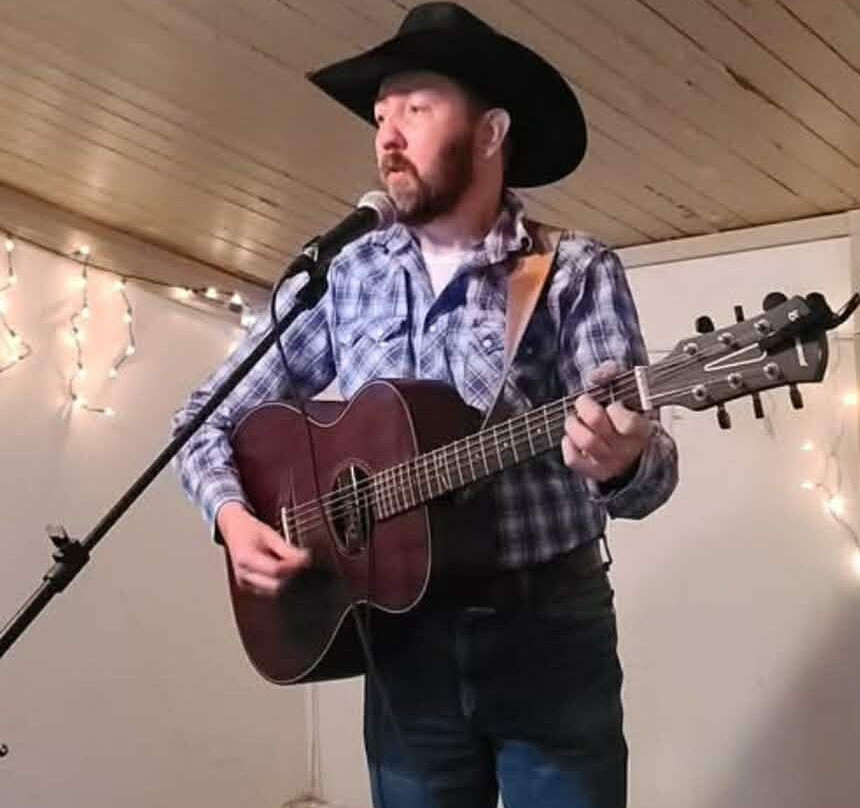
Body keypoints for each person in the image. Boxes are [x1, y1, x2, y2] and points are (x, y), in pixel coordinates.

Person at [173, 4, 679, 806]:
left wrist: (622, 461)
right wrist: (234, 521)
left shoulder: (573, 271)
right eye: (380, 117)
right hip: (400, 647)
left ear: (491, 132)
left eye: (415, 108)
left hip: (547, 636)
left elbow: (649, 475)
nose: (387, 136)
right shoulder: (347, 275)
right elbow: (205, 419)